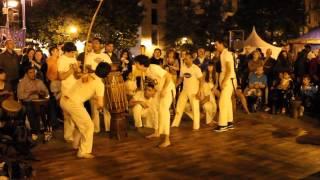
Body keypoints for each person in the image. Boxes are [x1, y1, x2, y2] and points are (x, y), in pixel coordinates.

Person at [60, 62, 111, 159]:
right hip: (74, 104)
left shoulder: (88, 75)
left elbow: (86, 91)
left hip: (64, 100)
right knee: (89, 126)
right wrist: (100, 108)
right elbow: (100, 103)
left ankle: (75, 145)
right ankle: (83, 152)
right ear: (107, 74)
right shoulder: (99, 84)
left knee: (81, 124)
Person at [134, 55, 175, 148]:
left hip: (168, 90)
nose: (135, 65)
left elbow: (168, 76)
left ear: (141, 64)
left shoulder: (153, 68)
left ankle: (167, 139)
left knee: (163, 112)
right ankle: (157, 132)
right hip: (159, 90)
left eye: (136, 63)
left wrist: (164, 89)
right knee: (153, 108)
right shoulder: (145, 71)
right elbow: (157, 82)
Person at [86, 38, 112, 133]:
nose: (94, 44)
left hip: (104, 82)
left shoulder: (105, 56)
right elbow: (88, 68)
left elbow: (110, 67)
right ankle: (96, 128)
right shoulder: (89, 55)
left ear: (101, 45)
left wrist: (102, 72)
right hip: (92, 82)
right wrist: (98, 72)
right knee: (94, 106)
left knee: (105, 105)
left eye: (96, 43)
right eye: (93, 43)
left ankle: (108, 127)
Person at [172, 53, 203, 130]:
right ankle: (175, 124)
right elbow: (181, 78)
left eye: (186, 59)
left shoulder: (196, 68)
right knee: (179, 106)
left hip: (194, 91)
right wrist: (175, 85)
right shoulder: (183, 68)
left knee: (195, 108)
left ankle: (196, 127)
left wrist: (200, 91)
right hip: (185, 90)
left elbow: (201, 80)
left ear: (191, 59)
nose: (185, 60)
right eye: (184, 59)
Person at [17, 66, 49, 140]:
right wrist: (30, 93)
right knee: (30, 109)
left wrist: (42, 92)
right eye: (30, 73)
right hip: (27, 101)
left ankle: (45, 129)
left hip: (38, 101)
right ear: (27, 74)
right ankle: (34, 131)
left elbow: (46, 93)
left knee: (45, 108)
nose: (33, 74)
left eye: (34, 72)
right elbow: (20, 96)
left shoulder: (39, 81)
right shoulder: (22, 83)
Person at [57, 42, 80, 142]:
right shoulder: (61, 60)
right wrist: (72, 69)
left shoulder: (73, 58)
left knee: (75, 113)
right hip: (67, 90)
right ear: (66, 51)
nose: (73, 55)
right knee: (68, 114)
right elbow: (61, 77)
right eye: (72, 53)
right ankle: (68, 136)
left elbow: (76, 75)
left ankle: (74, 133)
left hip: (76, 89)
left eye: (74, 53)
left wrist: (77, 70)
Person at [214, 39, 237, 132]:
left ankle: (223, 124)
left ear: (221, 44)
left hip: (228, 80)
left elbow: (229, 70)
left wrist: (223, 81)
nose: (215, 46)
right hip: (228, 80)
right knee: (227, 102)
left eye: (216, 44)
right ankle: (229, 122)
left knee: (223, 102)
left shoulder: (226, 54)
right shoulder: (223, 54)